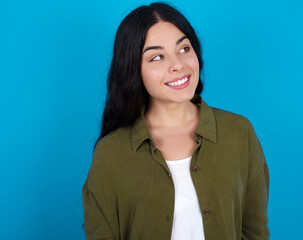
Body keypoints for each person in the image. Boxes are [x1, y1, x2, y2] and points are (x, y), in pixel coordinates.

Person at [82, 2, 269, 240]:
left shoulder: (239, 133)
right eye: (157, 57)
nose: (178, 65)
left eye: (183, 49)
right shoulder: (110, 154)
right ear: (133, 69)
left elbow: (255, 233)